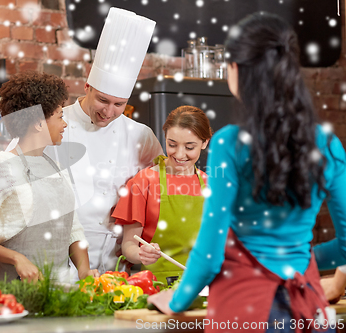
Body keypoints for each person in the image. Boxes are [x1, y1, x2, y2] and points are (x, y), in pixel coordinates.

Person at [148, 12, 345, 333]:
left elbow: (210, 251)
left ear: (237, 69)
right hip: (309, 310)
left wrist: (176, 299)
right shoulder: (329, 144)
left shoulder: (230, 143)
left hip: (246, 311)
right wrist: (299, 257)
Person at [45, 7, 164, 276]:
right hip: (61, 260)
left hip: (116, 262)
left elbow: (163, 188)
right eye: (102, 100)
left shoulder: (141, 135)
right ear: (87, 86)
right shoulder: (54, 125)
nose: (109, 112)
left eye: (119, 104)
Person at [0, 72, 99, 283]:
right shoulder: (2, 167)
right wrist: (17, 258)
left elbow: (73, 229)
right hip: (13, 289)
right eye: (59, 116)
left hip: (57, 293)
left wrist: (84, 271)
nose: (65, 124)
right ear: (38, 123)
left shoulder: (56, 167)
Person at [112, 106, 211, 284]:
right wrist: (140, 254)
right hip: (155, 285)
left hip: (203, 284)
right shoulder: (143, 182)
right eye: (172, 144)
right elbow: (129, 245)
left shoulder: (211, 186)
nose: (179, 154)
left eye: (189, 147)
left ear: (205, 143)